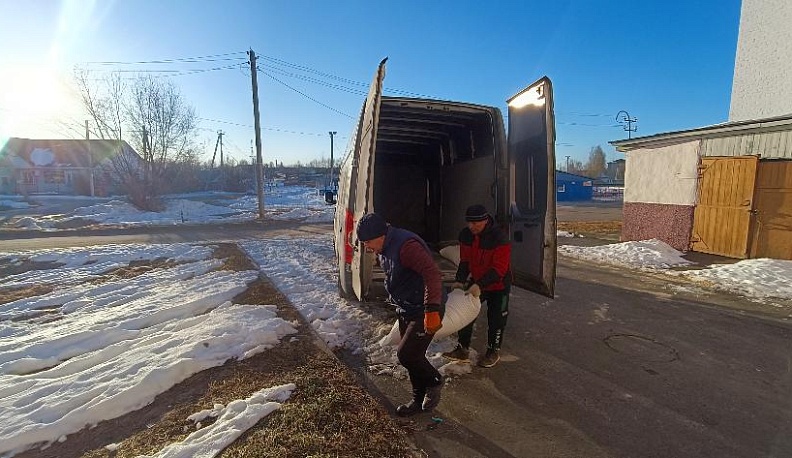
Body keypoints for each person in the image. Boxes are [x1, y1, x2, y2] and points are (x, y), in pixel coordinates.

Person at [356, 213, 445, 416]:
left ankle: (435, 381)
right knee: (414, 357)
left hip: (425, 308)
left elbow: (432, 274)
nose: (367, 247)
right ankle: (417, 400)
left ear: (381, 235)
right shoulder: (386, 246)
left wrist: (431, 310)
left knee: (406, 355)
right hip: (407, 307)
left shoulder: (407, 246)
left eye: (368, 242)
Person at [443, 204, 511, 368]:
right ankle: (462, 348)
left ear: (486, 220)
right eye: (469, 223)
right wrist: (460, 280)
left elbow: (499, 269)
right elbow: (465, 261)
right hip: (477, 281)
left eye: (476, 223)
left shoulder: (499, 237)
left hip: (498, 285)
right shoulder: (466, 235)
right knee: (465, 313)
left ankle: (493, 351)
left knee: (496, 319)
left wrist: (480, 285)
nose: (472, 227)